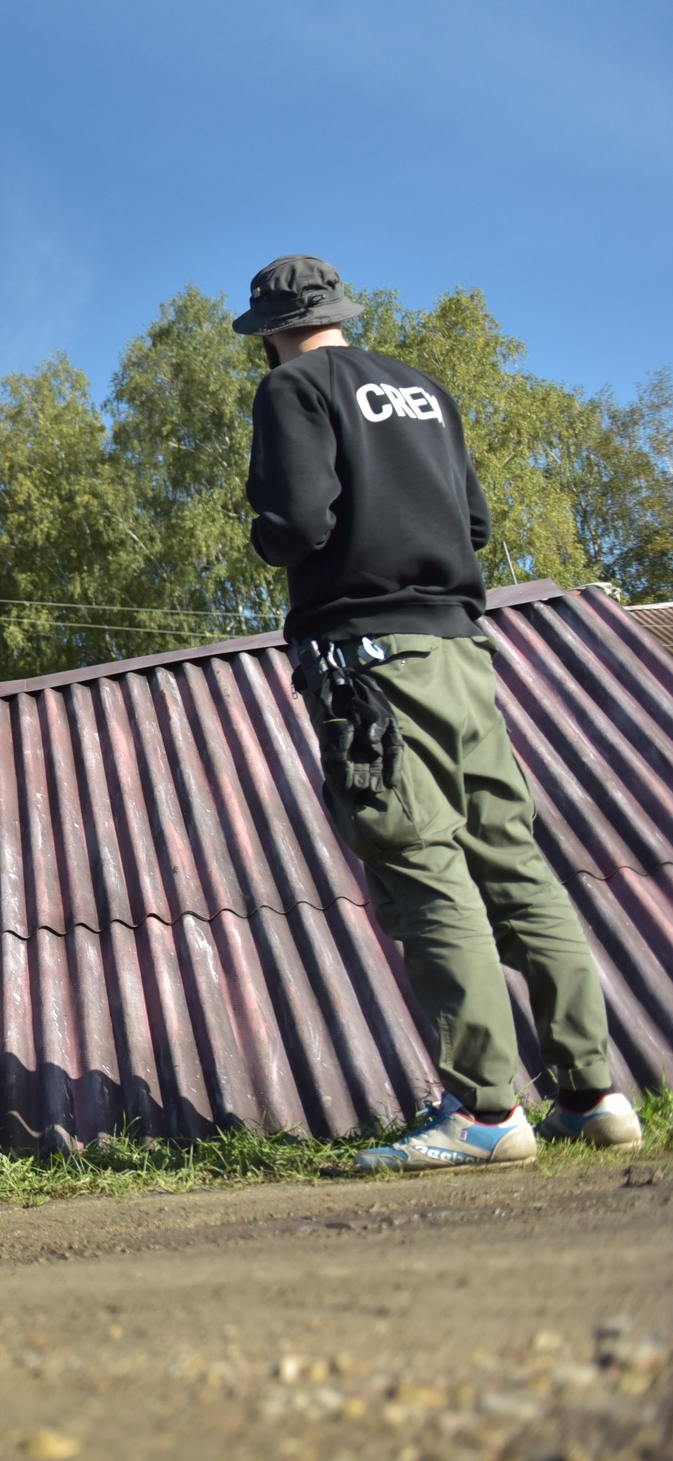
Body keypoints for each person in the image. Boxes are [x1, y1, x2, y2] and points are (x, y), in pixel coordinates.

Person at [239, 254, 640, 1172]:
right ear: (340, 312)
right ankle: (592, 1092)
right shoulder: (424, 389)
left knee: (419, 859)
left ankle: (484, 1111)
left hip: (368, 659)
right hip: (463, 648)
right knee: (513, 857)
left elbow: (299, 522)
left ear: (267, 331)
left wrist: (266, 533)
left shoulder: (294, 389)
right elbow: (477, 526)